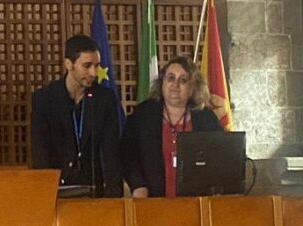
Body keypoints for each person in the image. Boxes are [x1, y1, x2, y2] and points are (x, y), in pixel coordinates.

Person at [30, 34, 123, 197]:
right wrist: (45, 193)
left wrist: (113, 197)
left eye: (97, 66)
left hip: (94, 190)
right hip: (57, 190)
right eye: (87, 66)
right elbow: (40, 152)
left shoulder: (104, 99)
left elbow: (111, 151)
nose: (93, 73)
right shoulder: (45, 99)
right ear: (68, 64)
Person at [120, 55, 222, 197]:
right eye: (170, 78)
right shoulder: (144, 114)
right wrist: (138, 185)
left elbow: (220, 156)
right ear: (162, 82)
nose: (175, 85)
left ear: (193, 87)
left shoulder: (205, 117)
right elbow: (127, 154)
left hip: (197, 200)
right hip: (151, 200)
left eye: (183, 80)